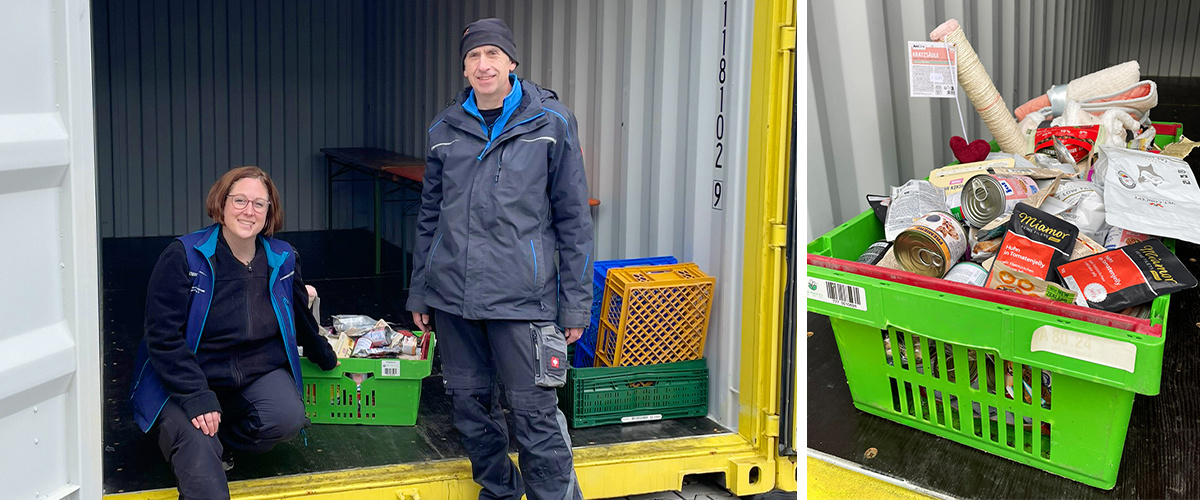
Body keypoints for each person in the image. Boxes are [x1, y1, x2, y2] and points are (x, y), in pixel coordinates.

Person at [407, 17, 593, 500]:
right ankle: (499, 493)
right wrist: (420, 291)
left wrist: (575, 305)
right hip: (453, 299)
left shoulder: (551, 124)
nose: (483, 64)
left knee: (534, 416)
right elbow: (429, 217)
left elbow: (573, 221)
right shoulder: (443, 130)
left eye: (492, 54)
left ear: (511, 62)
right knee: (470, 410)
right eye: (473, 56)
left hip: (524, 301)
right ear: (464, 70)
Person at [128, 166, 338, 500]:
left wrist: (324, 354)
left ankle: (218, 437)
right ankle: (189, 438)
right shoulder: (184, 256)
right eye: (239, 200)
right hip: (187, 378)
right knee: (204, 474)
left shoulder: (283, 258)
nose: (248, 210)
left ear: (270, 212)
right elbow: (161, 336)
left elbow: (298, 315)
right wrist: (197, 397)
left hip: (252, 374)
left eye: (259, 204)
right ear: (221, 204)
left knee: (287, 417)